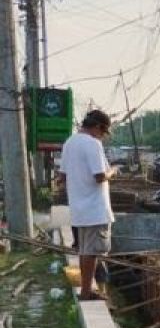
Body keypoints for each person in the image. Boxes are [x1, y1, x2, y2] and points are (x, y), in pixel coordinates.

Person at [60, 109, 116, 301]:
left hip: (79, 209)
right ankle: (86, 291)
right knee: (92, 253)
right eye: (103, 132)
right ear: (98, 127)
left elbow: (62, 177)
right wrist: (113, 172)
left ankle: (87, 289)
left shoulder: (70, 142)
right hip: (95, 209)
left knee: (85, 251)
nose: (103, 136)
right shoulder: (92, 144)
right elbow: (100, 176)